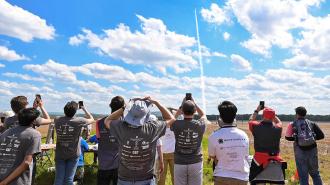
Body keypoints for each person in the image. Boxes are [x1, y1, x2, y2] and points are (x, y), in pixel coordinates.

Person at [104, 96, 175, 185]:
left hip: (124, 178)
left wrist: (125, 107)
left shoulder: (121, 127)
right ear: (146, 115)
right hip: (146, 178)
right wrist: (156, 102)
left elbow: (107, 120)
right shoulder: (152, 128)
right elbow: (172, 119)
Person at [208, 101, 249, 185]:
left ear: (220, 117)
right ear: (235, 117)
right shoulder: (243, 135)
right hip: (241, 177)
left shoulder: (214, 135)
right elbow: (245, 155)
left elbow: (212, 155)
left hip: (221, 176)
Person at [54, 101, 94, 185]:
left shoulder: (57, 119)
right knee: (69, 179)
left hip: (60, 154)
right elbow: (92, 119)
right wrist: (83, 108)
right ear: (75, 111)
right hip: (73, 154)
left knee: (58, 179)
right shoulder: (79, 121)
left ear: (64, 110)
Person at [0, 108, 41, 185]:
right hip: (19, 181)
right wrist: (4, 183)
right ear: (34, 120)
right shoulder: (34, 135)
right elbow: (26, 162)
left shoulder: (6, 132)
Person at [171, 96, 207, 185]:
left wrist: (181, 107)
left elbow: (172, 118)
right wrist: (194, 104)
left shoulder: (176, 123)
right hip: (196, 161)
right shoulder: (199, 124)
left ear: (182, 111)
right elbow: (203, 115)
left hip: (179, 161)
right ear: (194, 111)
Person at [285, 106, 324, 185]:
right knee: (315, 174)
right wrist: (311, 139)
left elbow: (288, 137)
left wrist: (298, 139)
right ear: (305, 114)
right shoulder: (312, 123)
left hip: (300, 153)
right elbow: (321, 135)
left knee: (303, 176)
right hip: (312, 151)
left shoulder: (292, 124)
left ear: (296, 114)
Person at [248, 105, 284, 185]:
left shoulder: (255, 126)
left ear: (263, 115)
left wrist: (257, 110)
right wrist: (272, 113)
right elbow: (279, 122)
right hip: (275, 160)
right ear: (273, 117)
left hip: (259, 161)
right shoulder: (278, 128)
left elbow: (250, 120)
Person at [96, 96, 124, 185]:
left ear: (110, 106)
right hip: (119, 164)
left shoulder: (99, 122)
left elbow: (98, 138)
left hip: (103, 163)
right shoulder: (125, 124)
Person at [158, 108, 176, 185]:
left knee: (174, 177)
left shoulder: (160, 125)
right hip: (166, 154)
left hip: (167, 154)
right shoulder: (175, 126)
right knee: (162, 178)